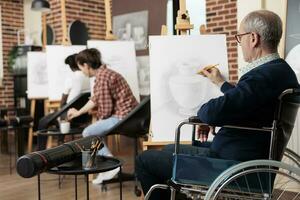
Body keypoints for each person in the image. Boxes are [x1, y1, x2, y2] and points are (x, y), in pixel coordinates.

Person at [135, 10, 299, 199]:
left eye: (240, 37)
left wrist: (207, 114)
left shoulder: (262, 76)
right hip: (241, 157)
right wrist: (221, 84)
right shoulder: (278, 72)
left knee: (145, 161)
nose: (240, 44)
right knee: (169, 149)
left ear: (253, 38)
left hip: (230, 166)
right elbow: (246, 102)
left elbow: (212, 112)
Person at [67, 48, 138, 184]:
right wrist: (79, 112)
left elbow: (105, 109)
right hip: (130, 115)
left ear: (86, 65)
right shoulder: (105, 73)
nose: (81, 71)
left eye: (80, 67)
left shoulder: (103, 76)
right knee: (93, 132)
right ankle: (105, 169)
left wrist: (96, 120)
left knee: (88, 132)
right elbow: (96, 99)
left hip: (124, 117)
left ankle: (111, 166)